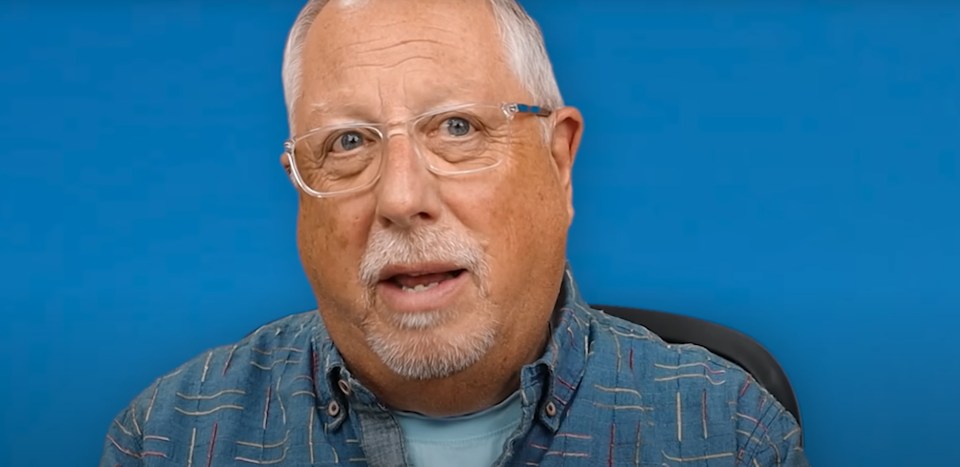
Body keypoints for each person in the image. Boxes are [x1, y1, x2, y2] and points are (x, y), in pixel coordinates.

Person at [101, 0, 808, 465]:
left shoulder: (729, 435)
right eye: (348, 142)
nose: (402, 198)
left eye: (459, 128)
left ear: (558, 163)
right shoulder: (171, 437)